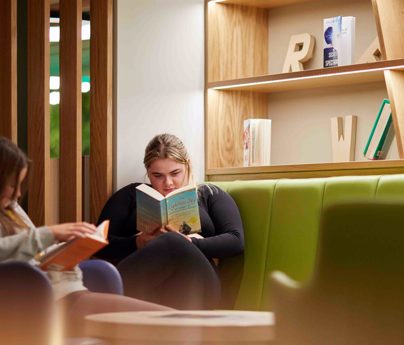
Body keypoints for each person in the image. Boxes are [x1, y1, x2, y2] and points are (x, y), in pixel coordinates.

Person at [0, 136, 170, 342]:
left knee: (170, 321)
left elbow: (34, 253)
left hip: (67, 292)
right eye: (12, 184)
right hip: (51, 303)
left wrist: (70, 250)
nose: (18, 194)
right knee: (166, 324)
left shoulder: (11, 210)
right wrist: (51, 233)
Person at [96, 133, 244, 309]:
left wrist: (191, 243)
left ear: (187, 166)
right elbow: (98, 243)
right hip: (146, 284)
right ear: (148, 173)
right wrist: (137, 242)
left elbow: (236, 240)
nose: (168, 183)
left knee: (172, 241)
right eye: (157, 175)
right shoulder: (129, 195)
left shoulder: (211, 195)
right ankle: (112, 302)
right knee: (168, 243)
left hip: (200, 283)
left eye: (175, 173)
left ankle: (104, 301)